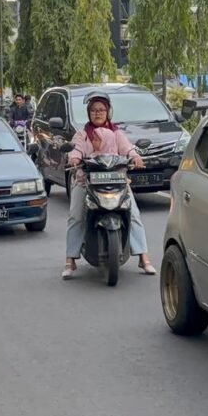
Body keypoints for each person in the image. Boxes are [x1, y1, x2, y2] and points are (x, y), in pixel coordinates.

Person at [63, 92, 156, 279]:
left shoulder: (116, 133)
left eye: (101, 110)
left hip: (117, 181)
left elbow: (128, 149)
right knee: (75, 217)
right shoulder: (82, 135)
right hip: (86, 181)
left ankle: (144, 258)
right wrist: (73, 158)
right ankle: (70, 260)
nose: (97, 113)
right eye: (94, 110)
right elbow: (76, 150)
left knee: (135, 215)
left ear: (108, 112)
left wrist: (135, 157)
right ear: (88, 113)